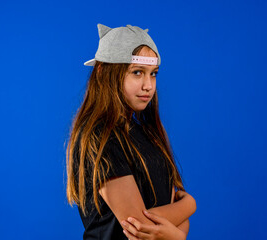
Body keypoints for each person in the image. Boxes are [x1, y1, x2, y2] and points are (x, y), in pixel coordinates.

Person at [66, 23, 196, 240]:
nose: (148, 86)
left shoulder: (144, 133)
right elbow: (140, 228)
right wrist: (189, 205)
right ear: (102, 72)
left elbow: (163, 220)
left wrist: (173, 230)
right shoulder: (101, 136)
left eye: (153, 74)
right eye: (137, 73)